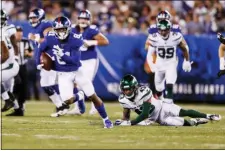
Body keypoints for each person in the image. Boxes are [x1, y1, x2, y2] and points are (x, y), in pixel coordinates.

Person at [36, 16, 113, 128]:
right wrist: (38, 62)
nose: (61, 32)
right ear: (54, 30)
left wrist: (62, 55)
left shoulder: (75, 39)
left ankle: (106, 120)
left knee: (92, 96)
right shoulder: (50, 38)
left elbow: (75, 61)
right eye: (58, 30)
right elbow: (40, 48)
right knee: (67, 100)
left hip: (77, 71)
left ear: (68, 28)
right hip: (63, 74)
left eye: (63, 29)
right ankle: (79, 96)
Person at [115, 74, 221, 126]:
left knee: (183, 112)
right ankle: (195, 121)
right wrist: (124, 121)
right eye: (124, 89)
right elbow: (126, 114)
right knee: (183, 124)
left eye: (128, 89)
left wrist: (130, 123)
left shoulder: (143, 91)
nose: (126, 91)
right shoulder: (123, 100)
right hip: (157, 119)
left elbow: (145, 114)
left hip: (162, 107)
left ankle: (208, 115)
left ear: (134, 87)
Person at [67, 9, 109, 115]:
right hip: (77, 60)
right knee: (74, 83)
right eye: (81, 18)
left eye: (85, 19)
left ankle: (95, 106)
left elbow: (105, 41)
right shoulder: (72, 29)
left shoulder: (92, 30)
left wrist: (91, 42)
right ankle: (78, 108)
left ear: (89, 20)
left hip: (90, 60)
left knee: (86, 82)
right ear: (78, 19)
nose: (83, 20)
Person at [146, 19, 192, 104]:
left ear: (170, 29)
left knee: (170, 82)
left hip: (171, 62)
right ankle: (160, 102)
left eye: (165, 30)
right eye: (161, 30)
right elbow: (149, 53)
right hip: (159, 64)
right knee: (159, 88)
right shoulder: (154, 38)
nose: (163, 32)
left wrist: (187, 61)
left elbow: (184, 49)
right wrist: (151, 64)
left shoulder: (176, 36)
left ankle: (169, 103)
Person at [28, 8, 64, 114]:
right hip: (46, 57)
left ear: (40, 17)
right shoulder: (35, 29)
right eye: (31, 18)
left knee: (51, 83)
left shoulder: (45, 24)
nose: (32, 20)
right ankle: (61, 105)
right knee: (46, 84)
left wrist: (36, 39)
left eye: (34, 18)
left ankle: (66, 104)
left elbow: (51, 38)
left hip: (52, 57)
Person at [145, 10, 182, 100]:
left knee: (170, 80)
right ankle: (157, 98)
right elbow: (146, 46)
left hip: (171, 59)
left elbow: (181, 44)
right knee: (155, 80)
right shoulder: (153, 29)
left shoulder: (175, 29)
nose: (162, 21)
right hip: (158, 57)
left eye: (164, 19)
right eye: (160, 19)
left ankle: (167, 100)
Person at [6, 26, 34, 116]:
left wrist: (28, 54)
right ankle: (16, 107)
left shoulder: (26, 41)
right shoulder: (9, 41)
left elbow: (31, 54)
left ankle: (20, 106)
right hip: (12, 67)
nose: (19, 36)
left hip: (22, 67)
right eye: (18, 34)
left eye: (21, 34)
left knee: (24, 87)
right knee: (13, 87)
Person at [1, 9, 19, 112]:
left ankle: (8, 101)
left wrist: (16, 58)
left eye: (2, 19)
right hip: (5, 63)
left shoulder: (8, 29)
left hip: (9, 63)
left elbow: (13, 46)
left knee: (8, 87)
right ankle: (15, 106)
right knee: (6, 89)